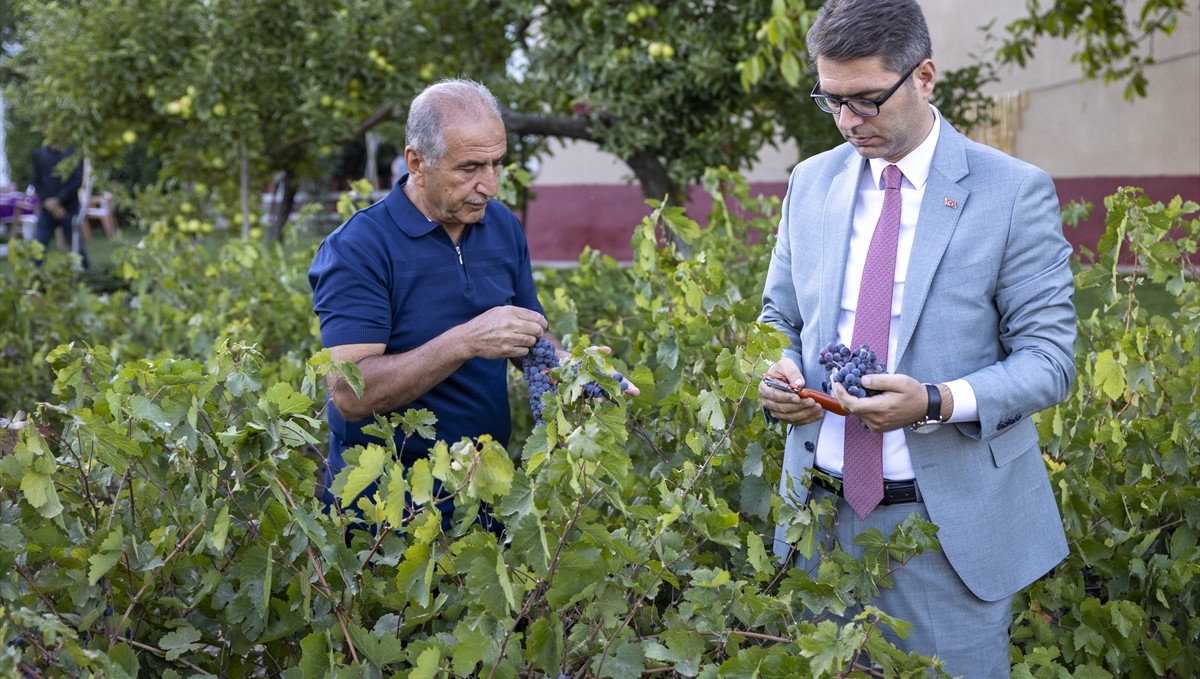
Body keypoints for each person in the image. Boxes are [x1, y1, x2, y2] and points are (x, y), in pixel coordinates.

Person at [755, 0, 1076, 675]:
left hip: (942, 533)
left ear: (925, 76)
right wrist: (779, 370)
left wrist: (933, 401)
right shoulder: (809, 183)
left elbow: (1049, 361)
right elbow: (777, 316)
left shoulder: (1014, 192)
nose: (848, 122)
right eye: (832, 101)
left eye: (868, 100)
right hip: (815, 525)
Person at [308, 78, 636, 529]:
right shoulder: (358, 248)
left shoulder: (500, 225)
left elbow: (526, 334)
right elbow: (349, 394)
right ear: (416, 163)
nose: (491, 185)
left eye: (497, 164)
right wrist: (466, 341)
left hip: (483, 489)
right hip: (382, 507)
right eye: (470, 168)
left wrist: (564, 363)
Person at [31, 142, 87, 269]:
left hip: (69, 208)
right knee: (39, 248)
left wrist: (58, 200)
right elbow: (36, 181)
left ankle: (86, 275)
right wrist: (49, 203)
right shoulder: (40, 154)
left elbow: (77, 180)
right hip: (47, 209)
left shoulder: (73, 152)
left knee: (77, 247)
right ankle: (35, 280)